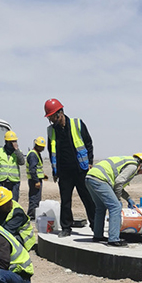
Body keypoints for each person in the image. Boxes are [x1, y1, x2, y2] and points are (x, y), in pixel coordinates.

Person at [44, 98, 96, 236]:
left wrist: (90, 162)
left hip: (81, 170)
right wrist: (55, 171)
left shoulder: (77, 124)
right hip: (64, 172)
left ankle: (95, 226)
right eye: (49, 118)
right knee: (65, 201)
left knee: (88, 198)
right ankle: (66, 228)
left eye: (52, 117)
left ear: (60, 113)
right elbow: (51, 151)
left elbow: (88, 143)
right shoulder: (51, 131)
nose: (51, 120)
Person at [84, 154, 142, 247]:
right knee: (115, 207)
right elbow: (119, 182)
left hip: (90, 178)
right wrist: (117, 199)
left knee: (100, 208)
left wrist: (128, 198)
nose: (141, 173)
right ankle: (114, 239)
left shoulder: (127, 161)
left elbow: (118, 185)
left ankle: (98, 235)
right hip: (100, 179)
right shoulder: (133, 166)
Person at [0, 186, 37, 251]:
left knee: (3, 241)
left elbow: (7, 232)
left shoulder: (17, 213)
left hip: (23, 239)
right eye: (5, 204)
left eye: (9, 201)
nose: (9, 204)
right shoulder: (0, 210)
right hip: (11, 233)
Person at [0, 131, 25, 201]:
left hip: (14, 182)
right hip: (1, 182)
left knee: (14, 202)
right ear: (6, 142)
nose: (13, 144)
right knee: (1, 202)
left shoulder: (18, 152)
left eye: (15, 141)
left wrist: (17, 150)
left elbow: (22, 162)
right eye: (11, 142)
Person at [26, 136, 47, 219]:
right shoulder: (33, 155)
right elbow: (32, 169)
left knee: (36, 198)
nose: (42, 148)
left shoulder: (36, 154)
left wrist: (42, 175)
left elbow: (37, 168)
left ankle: (34, 214)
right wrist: (36, 181)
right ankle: (32, 215)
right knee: (34, 198)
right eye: (41, 147)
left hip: (37, 179)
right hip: (34, 180)